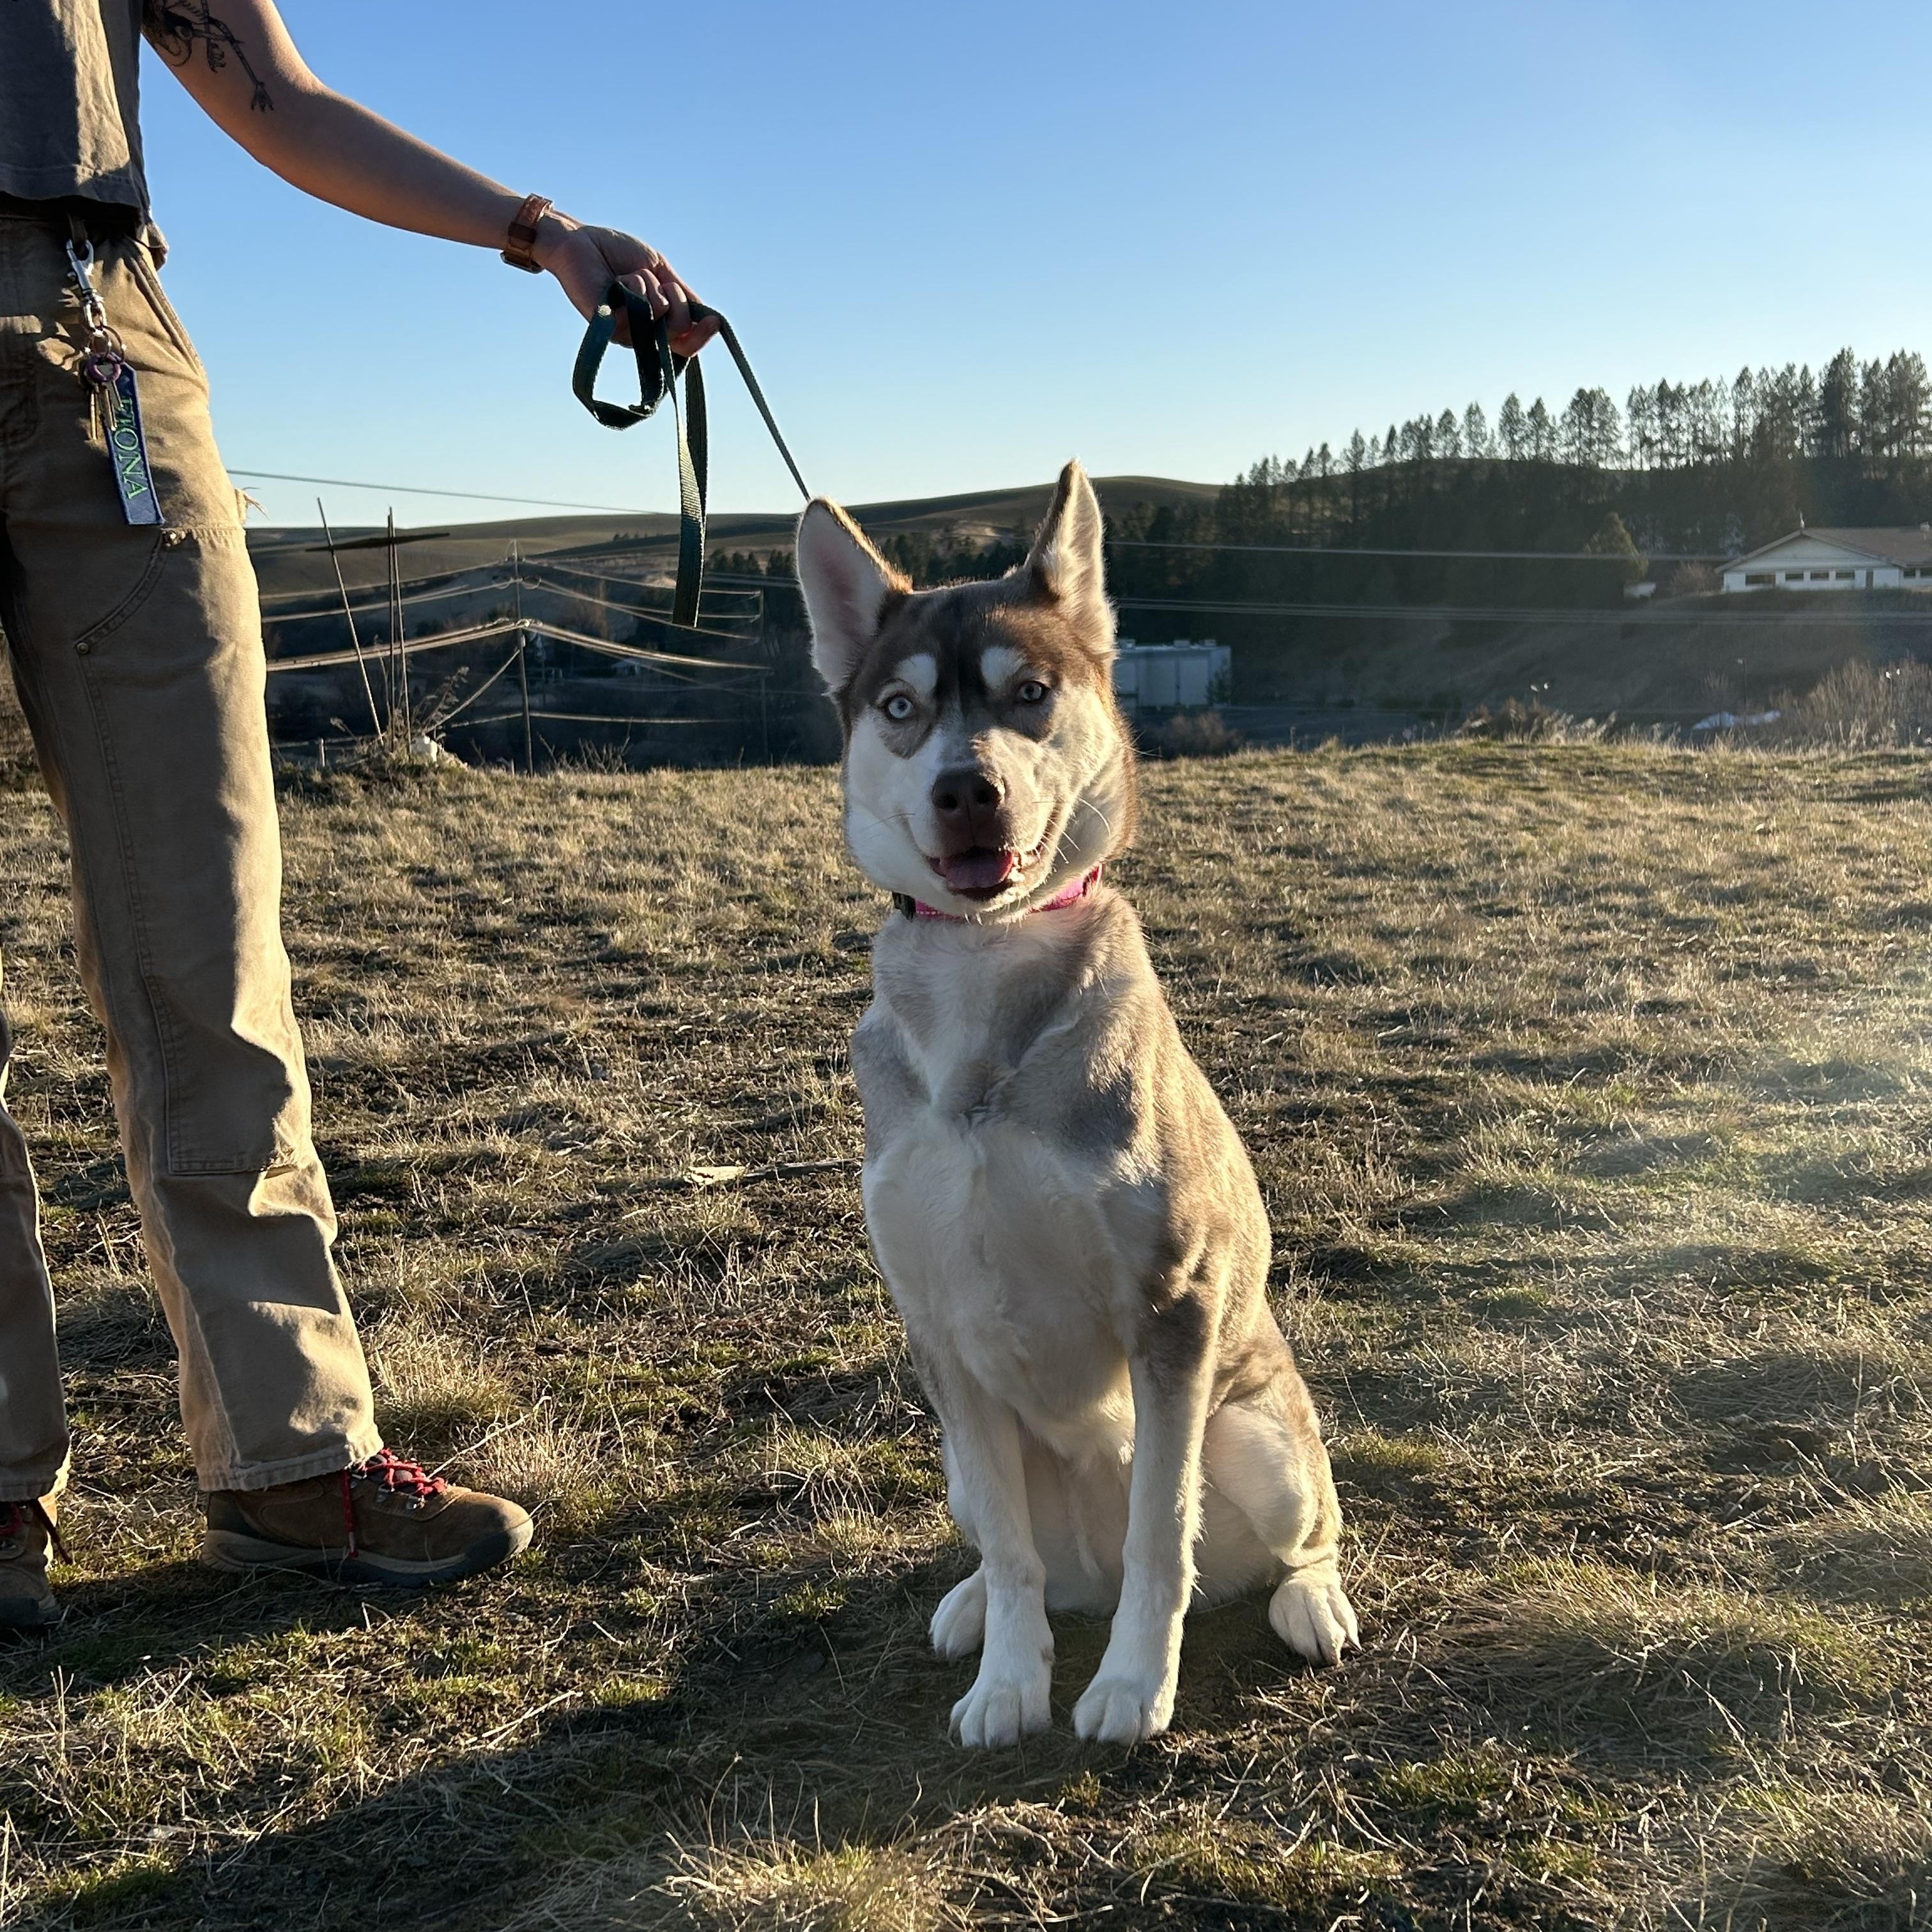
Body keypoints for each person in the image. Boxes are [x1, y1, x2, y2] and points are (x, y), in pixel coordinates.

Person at [0, 0, 716, 1627]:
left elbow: (277, 94)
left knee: (208, 930)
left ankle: (292, 1463)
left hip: (100, 331)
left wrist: (541, 237)